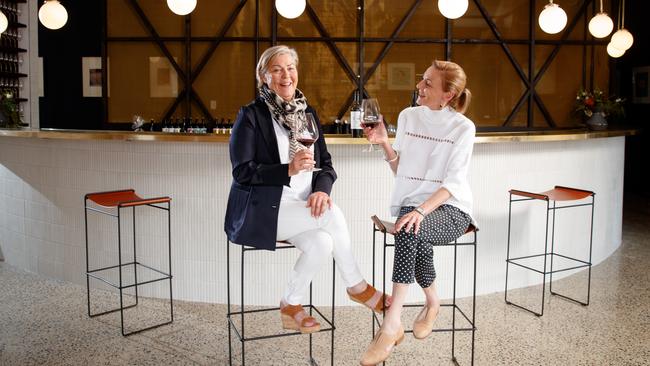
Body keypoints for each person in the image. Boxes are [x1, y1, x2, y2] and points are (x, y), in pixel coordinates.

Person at [224, 45, 390, 334]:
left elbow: (326, 165)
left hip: (302, 208)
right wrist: (288, 169)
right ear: (264, 77)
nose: (285, 75)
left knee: (323, 243)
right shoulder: (251, 115)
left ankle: (290, 304)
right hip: (264, 210)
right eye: (277, 69)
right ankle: (357, 286)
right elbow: (242, 172)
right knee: (332, 214)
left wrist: (321, 190)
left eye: (290, 68)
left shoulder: (306, 112)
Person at [360, 60, 476, 365]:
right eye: (421, 80)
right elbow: (404, 171)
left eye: (427, 84)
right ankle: (433, 302)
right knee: (412, 231)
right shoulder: (408, 117)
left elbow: (453, 183)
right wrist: (385, 143)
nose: (419, 87)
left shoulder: (463, 128)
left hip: (451, 208)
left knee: (410, 227)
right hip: (414, 207)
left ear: (447, 95)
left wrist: (422, 211)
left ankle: (391, 324)